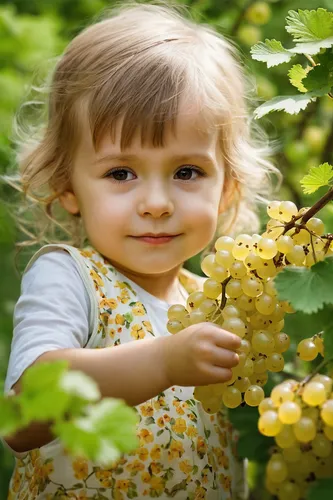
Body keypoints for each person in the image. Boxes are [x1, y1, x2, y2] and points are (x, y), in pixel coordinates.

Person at [3, 2, 277, 498]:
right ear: (67, 187)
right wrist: (162, 363)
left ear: (228, 188)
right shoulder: (71, 279)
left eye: (187, 172)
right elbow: (24, 415)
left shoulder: (219, 303)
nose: (155, 203)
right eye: (120, 173)